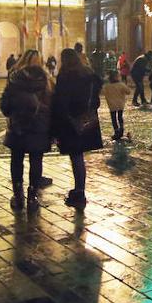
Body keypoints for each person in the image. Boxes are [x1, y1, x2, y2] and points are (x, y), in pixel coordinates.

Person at [0, 51, 54, 210]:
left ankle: (18, 196)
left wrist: (13, 114)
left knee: (16, 161)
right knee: (36, 161)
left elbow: (5, 104)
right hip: (39, 126)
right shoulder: (45, 80)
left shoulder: (14, 78)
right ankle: (32, 196)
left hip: (18, 126)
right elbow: (52, 102)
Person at [50, 48, 102, 208]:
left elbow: (61, 102)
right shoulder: (89, 74)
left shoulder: (66, 76)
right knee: (78, 156)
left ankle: (79, 192)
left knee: (76, 156)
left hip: (71, 121)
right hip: (87, 120)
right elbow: (96, 99)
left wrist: (55, 126)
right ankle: (79, 189)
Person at [102, 69, 132, 142]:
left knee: (113, 119)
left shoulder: (107, 86)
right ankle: (121, 130)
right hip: (120, 104)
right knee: (120, 117)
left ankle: (116, 131)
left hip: (111, 105)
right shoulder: (121, 85)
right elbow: (128, 91)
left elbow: (104, 93)